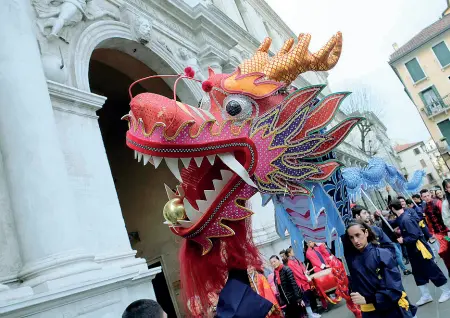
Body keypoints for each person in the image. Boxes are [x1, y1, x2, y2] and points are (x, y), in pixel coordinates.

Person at [345, 221, 417, 317]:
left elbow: (394, 288)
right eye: (351, 237)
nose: (356, 241)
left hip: (390, 311)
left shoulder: (382, 254)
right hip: (369, 313)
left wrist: (369, 299)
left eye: (358, 235)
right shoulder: (354, 261)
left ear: (366, 233)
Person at [389, 200, 450, 306]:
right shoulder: (403, 217)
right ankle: (426, 295)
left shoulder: (406, 219)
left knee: (432, 270)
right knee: (418, 273)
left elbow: (414, 235)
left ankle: (446, 291)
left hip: (420, 249)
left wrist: (403, 240)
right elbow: (394, 223)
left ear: (393, 209)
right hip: (414, 251)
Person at [353, 205, 411, 275]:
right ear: (357, 216)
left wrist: (388, 260)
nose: (368, 215)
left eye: (367, 213)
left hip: (387, 267)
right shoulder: (352, 235)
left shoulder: (376, 230)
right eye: (364, 213)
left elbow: (389, 246)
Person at [285, 247, 321, 317]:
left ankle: (311, 313)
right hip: (300, 283)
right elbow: (297, 273)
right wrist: (305, 277)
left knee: (308, 297)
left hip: (304, 281)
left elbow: (302, 268)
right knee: (305, 299)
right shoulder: (290, 263)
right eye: (292, 251)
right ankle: (310, 314)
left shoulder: (295, 259)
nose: (294, 251)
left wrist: (305, 272)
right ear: (289, 254)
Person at [420, 189, 450, 272]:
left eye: (428, 195)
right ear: (422, 198)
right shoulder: (425, 209)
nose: (427, 198)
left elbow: (445, 217)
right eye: (424, 196)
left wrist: (448, 230)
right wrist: (432, 233)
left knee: (446, 249)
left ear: (430, 194)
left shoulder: (438, 203)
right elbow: (429, 222)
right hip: (439, 234)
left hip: (446, 231)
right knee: (445, 251)